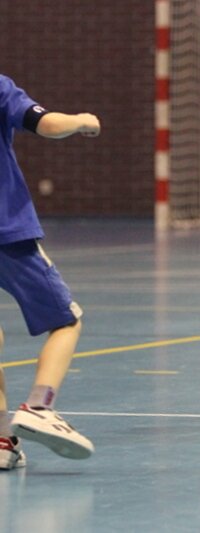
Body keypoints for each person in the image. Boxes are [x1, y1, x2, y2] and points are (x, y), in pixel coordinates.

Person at [0, 74, 99, 470]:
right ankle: (39, 406)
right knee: (67, 321)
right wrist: (82, 120)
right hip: (8, 233)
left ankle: (2, 442)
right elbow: (46, 124)